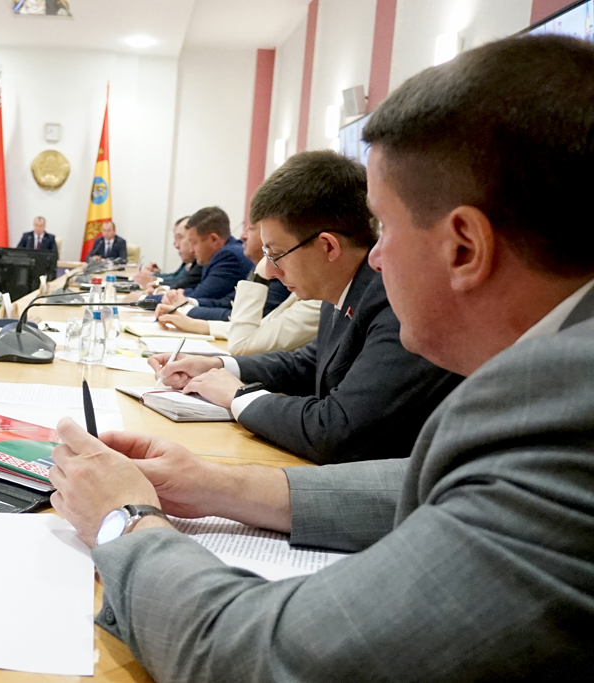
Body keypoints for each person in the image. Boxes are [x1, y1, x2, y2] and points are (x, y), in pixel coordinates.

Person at [48, 34, 594, 681]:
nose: (377, 257)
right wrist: (214, 484)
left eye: (386, 227)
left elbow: (258, 659)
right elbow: (427, 486)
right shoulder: (557, 376)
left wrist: (124, 521)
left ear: (464, 247)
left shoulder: (570, 407)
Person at [151, 151, 461, 464]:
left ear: (328, 246)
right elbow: (308, 363)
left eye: (275, 254)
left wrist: (238, 396)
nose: (270, 271)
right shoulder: (342, 287)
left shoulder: (396, 299)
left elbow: (336, 429)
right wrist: (218, 366)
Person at [156, 217, 321, 357]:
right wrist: (193, 324)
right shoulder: (303, 284)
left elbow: (242, 343)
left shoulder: (231, 255)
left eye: (251, 229)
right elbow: (262, 327)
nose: (242, 236)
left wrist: (259, 275)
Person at [147, 206, 253, 307]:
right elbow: (196, 291)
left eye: (194, 243)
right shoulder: (220, 254)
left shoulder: (229, 257)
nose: (191, 250)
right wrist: (172, 294)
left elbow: (198, 296)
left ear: (213, 239)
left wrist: (146, 299)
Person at [135, 216, 202, 291]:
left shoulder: (202, 263)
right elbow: (176, 277)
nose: (176, 245)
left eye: (179, 237)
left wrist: (154, 281)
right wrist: (154, 276)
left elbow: (181, 287)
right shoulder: (192, 260)